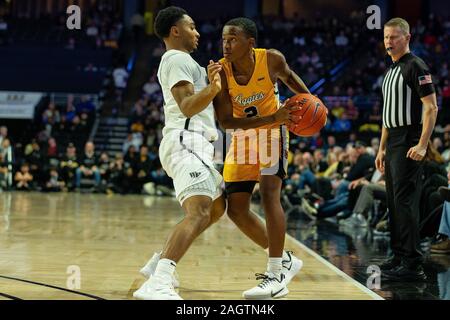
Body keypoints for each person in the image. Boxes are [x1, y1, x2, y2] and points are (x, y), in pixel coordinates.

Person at [133, 6, 226, 300]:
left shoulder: (189, 63)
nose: (197, 33)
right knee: (198, 211)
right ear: (175, 30)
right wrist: (212, 87)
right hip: (187, 141)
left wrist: (214, 82)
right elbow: (187, 106)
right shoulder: (175, 58)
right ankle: (159, 282)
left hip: (203, 144)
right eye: (192, 27)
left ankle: (159, 262)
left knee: (216, 208)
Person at [213, 17, 309, 299]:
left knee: (270, 195)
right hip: (242, 135)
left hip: (273, 134)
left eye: (232, 39)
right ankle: (286, 259)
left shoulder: (272, 60)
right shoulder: (221, 72)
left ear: (250, 43)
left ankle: (276, 274)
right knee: (236, 209)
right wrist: (272, 116)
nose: (226, 45)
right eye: (224, 39)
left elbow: (290, 78)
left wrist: (311, 101)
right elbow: (226, 123)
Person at [375, 18, 438, 281]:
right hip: (393, 141)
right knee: (393, 201)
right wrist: (381, 149)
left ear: (407, 38)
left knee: (405, 201)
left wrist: (422, 144)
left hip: (410, 138)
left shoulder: (416, 65)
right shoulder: (390, 71)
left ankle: (412, 264)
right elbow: (387, 115)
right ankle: (399, 255)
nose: (389, 42)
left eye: (394, 37)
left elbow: (431, 107)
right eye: (386, 37)